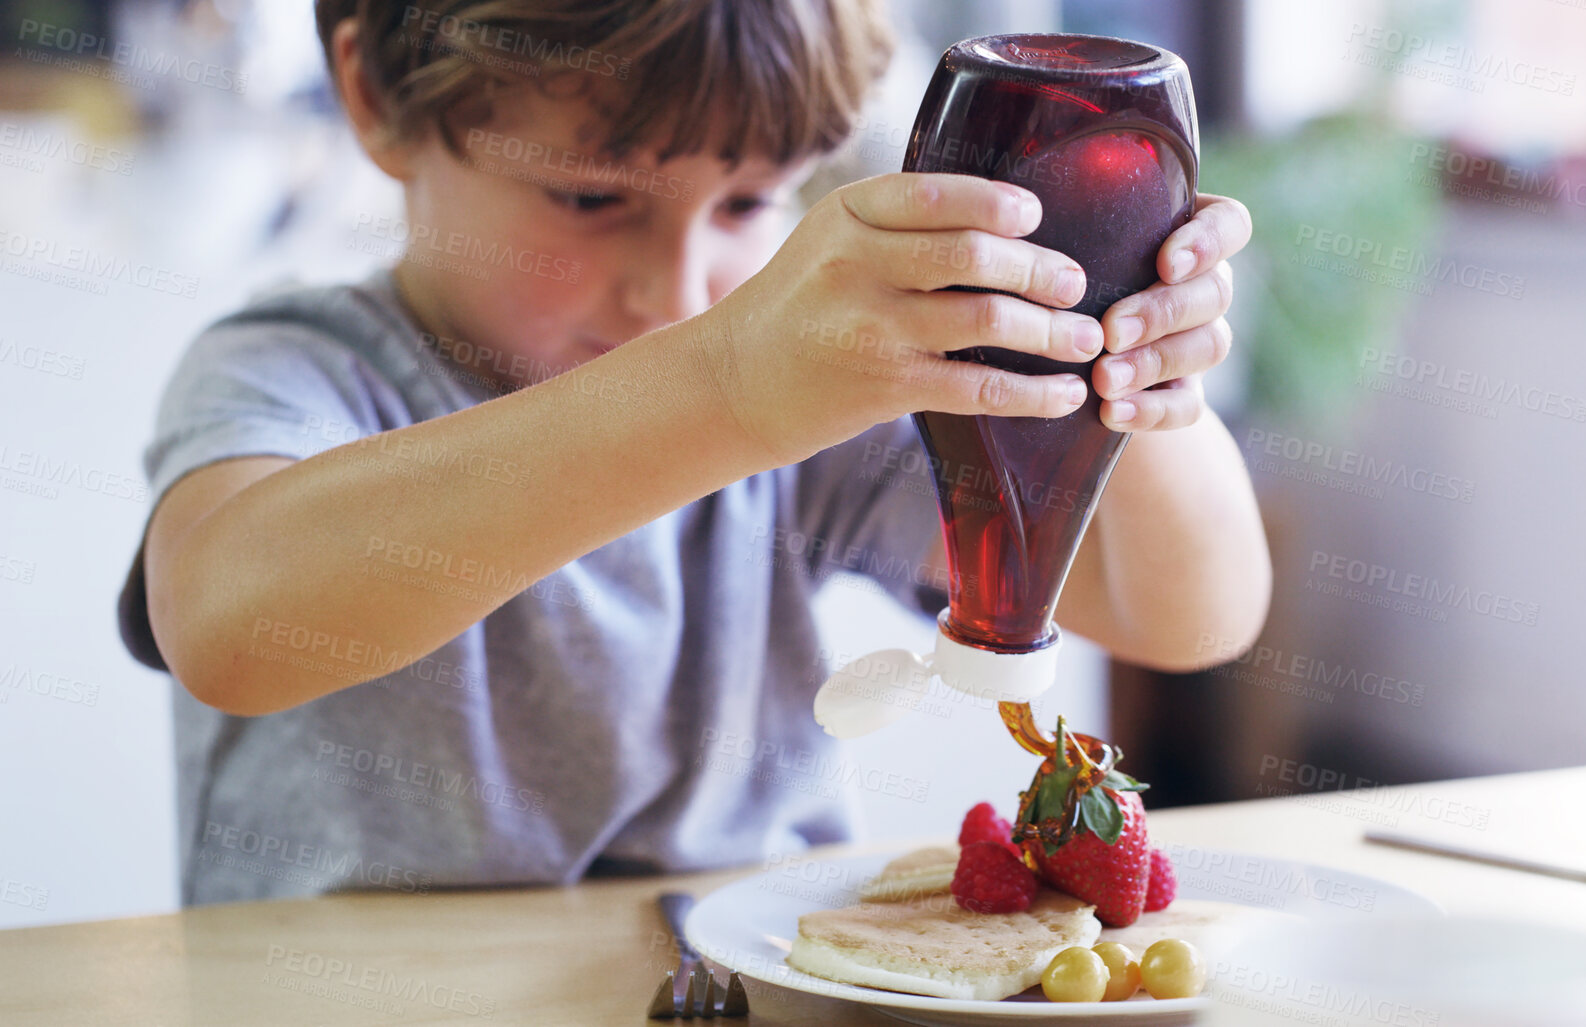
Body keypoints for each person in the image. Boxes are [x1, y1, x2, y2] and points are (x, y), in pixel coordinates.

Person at [115, 0, 1272, 904]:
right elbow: (229, 625)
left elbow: (1188, 615)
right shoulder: (294, 367)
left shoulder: (798, 393)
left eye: (748, 204)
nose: (675, 293)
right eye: (587, 199)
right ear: (372, 95)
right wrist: (723, 384)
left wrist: (1130, 369)